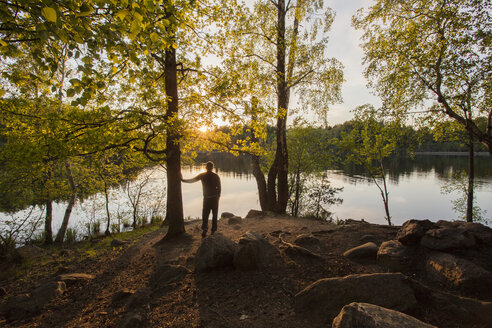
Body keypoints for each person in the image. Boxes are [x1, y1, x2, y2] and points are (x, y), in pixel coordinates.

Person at [181, 161, 221, 238]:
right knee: (214, 214)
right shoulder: (216, 176)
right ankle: (213, 230)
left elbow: (192, 180)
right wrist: (218, 197)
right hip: (214, 198)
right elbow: (219, 188)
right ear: (212, 168)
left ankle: (205, 229)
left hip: (206, 198)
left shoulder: (202, 175)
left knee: (205, 214)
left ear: (206, 167)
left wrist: (183, 180)